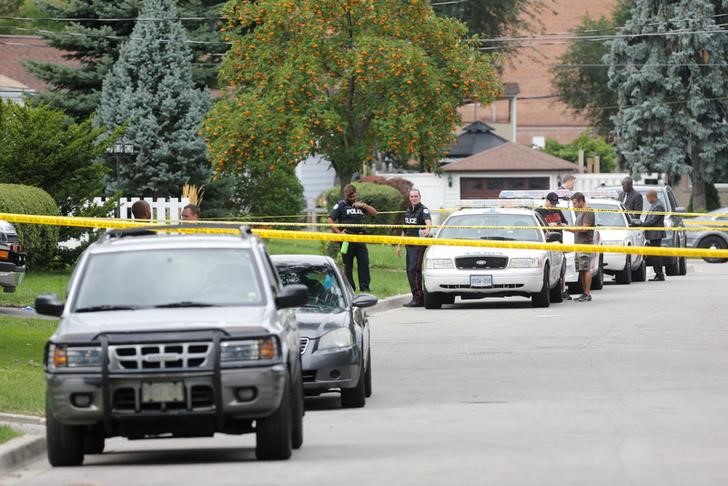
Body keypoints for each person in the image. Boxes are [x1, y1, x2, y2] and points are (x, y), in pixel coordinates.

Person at [328, 184, 377, 291]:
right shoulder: (341, 205)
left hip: (360, 238)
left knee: (364, 263)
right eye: (350, 196)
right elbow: (330, 220)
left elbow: (374, 213)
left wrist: (364, 206)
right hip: (346, 240)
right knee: (347, 265)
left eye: (354, 196)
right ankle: (350, 288)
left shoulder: (360, 204)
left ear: (356, 194)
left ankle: (365, 288)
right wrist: (339, 233)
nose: (352, 198)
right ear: (345, 195)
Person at [396, 189, 432, 307]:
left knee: (414, 270)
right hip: (408, 244)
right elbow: (404, 229)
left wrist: (426, 231)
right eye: (412, 196)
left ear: (420, 197)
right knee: (410, 270)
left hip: (418, 244)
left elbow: (428, 223)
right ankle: (416, 296)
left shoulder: (423, 209)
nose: (413, 198)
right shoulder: (408, 211)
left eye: (416, 196)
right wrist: (399, 245)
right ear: (409, 198)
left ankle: (418, 298)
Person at [535, 192, 571, 300]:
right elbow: (538, 226)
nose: (554, 206)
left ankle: (562, 289)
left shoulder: (557, 210)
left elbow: (565, 223)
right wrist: (549, 225)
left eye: (555, 203)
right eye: (552, 203)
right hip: (547, 242)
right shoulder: (538, 211)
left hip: (559, 242)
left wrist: (560, 225)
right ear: (547, 201)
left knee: (561, 267)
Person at [567, 192, 595, 302]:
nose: (573, 206)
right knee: (582, 270)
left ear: (581, 201)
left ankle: (587, 293)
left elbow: (585, 228)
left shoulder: (587, 211)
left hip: (585, 245)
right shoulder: (580, 212)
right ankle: (584, 292)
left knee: (586, 269)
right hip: (579, 245)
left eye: (574, 203)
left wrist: (570, 229)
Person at [643, 190, 666, 281]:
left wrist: (642, 224)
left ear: (652, 196)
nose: (648, 200)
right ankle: (658, 274)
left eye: (648, 198)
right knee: (655, 255)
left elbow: (653, 220)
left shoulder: (658, 206)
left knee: (656, 255)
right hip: (653, 234)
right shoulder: (655, 205)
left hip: (656, 234)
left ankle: (659, 274)